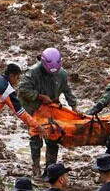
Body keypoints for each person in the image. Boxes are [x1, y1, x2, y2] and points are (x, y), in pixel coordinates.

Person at [19, 48, 79, 179]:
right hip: (34, 108)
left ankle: (50, 168)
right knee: (35, 137)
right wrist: (39, 96)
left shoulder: (62, 74)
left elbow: (67, 90)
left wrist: (74, 108)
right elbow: (22, 89)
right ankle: (36, 167)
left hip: (51, 108)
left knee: (53, 136)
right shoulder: (32, 73)